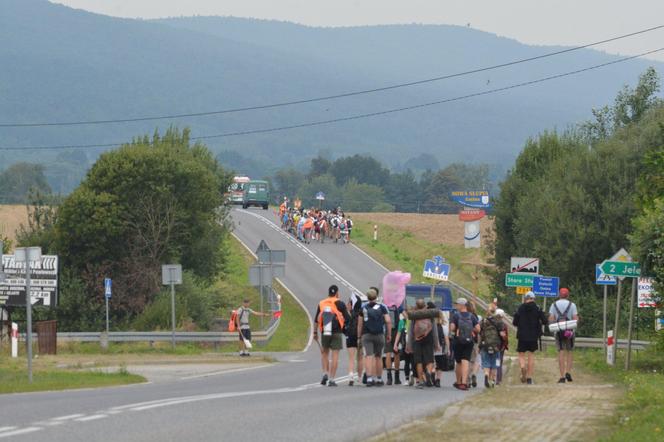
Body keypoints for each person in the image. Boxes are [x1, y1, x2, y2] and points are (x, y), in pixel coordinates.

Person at [313, 285, 351, 386]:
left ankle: (325, 373)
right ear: (337, 293)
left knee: (325, 353)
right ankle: (332, 379)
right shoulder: (340, 303)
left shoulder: (321, 303)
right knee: (335, 356)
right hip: (337, 332)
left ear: (328, 293)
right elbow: (348, 318)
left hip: (325, 330)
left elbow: (316, 320)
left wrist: (315, 333)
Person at [357, 288, 391, 387]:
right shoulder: (382, 307)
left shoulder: (363, 308)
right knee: (378, 356)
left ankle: (369, 378)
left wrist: (359, 336)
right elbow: (388, 321)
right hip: (379, 334)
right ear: (376, 297)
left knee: (368, 356)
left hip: (367, 335)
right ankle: (379, 378)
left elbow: (360, 324)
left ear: (367, 297)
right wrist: (388, 334)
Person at [512, 291, 548, 385]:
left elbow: (514, 322)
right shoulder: (538, 308)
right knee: (531, 355)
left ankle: (523, 366)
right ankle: (529, 378)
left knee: (521, 354)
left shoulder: (520, 308)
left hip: (522, 336)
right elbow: (545, 321)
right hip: (533, 336)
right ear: (533, 299)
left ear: (526, 298)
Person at [549, 287, 579, 384]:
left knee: (561, 351)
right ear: (568, 295)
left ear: (559, 295)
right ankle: (568, 372)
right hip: (569, 331)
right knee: (569, 351)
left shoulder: (554, 305)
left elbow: (551, 319)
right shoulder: (572, 305)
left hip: (558, 331)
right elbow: (575, 319)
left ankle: (562, 376)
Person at [450, 297, 480, 391]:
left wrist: (457, 328)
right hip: (469, 341)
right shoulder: (472, 316)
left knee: (458, 362)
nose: (456, 306)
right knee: (466, 361)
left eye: (457, 304)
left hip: (458, 340)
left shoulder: (455, 316)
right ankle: (464, 382)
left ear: (461, 305)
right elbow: (478, 329)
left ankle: (458, 382)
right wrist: (470, 329)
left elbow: (452, 328)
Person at [478, 304, 507, 388]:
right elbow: (502, 335)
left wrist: (479, 346)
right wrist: (504, 339)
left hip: (485, 345)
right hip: (496, 347)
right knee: (495, 364)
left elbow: (480, 333)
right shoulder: (499, 322)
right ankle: (492, 381)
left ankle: (486, 375)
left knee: (486, 363)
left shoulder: (483, 321)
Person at [345, 292, 366, 386]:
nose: (347, 304)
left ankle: (350, 376)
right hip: (360, 336)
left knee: (351, 358)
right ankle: (360, 377)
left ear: (352, 304)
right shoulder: (362, 312)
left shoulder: (348, 314)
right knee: (360, 358)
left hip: (350, 336)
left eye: (349, 303)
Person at [429, 302, 450, 388]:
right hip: (440, 347)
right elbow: (446, 339)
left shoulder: (429, 325)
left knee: (431, 362)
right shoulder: (443, 326)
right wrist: (448, 349)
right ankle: (438, 380)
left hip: (431, 346)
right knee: (439, 364)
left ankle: (432, 373)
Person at [384, 301, 403, 385]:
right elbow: (405, 316)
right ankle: (397, 378)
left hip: (387, 330)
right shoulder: (398, 305)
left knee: (388, 353)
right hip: (396, 331)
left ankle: (389, 378)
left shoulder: (384, 305)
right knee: (396, 353)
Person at [494, 308, 509, 385]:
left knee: (491, 362)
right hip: (500, 347)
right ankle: (498, 380)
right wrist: (506, 345)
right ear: (502, 316)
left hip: (491, 345)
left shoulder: (491, 323)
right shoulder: (503, 325)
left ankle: (491, 378)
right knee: (498, 363)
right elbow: (505, 337)